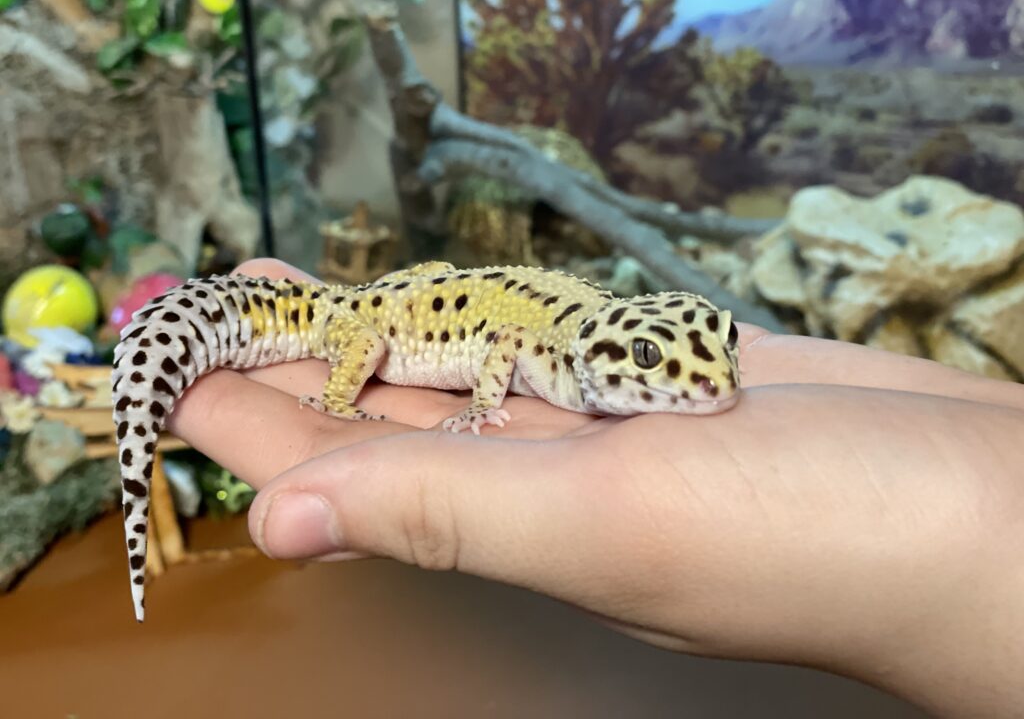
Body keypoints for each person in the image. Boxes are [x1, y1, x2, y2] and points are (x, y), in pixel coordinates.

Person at [167, 259, 1024, 717]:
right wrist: (483, 406)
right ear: (603, 360)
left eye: (719, 344)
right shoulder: (556, 359)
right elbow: (501, 342)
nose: (714, 380)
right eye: (654, 363)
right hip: (422, 314)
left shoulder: (610, 353)